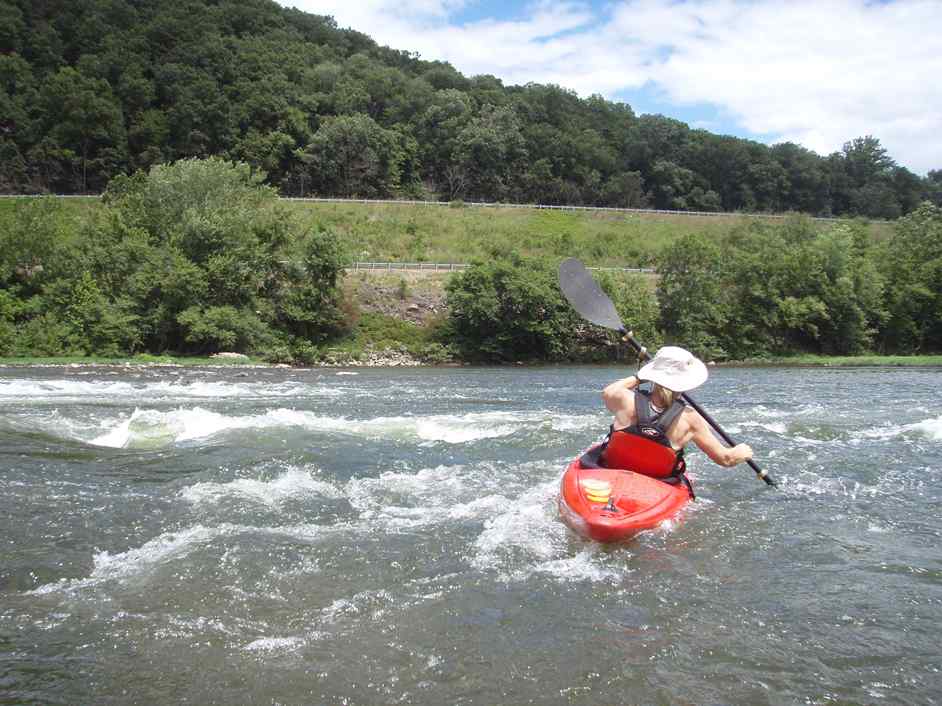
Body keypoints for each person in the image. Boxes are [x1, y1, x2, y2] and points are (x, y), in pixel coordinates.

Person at [591, 346, 753, 496]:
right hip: (656, 484)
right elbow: (725, 459)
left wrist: (639, 377)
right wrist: (741, 452)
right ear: (686, 381)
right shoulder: (690, 419)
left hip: (612, 470)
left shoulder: (625, 399)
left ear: (652, 375)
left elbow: (608, 390)